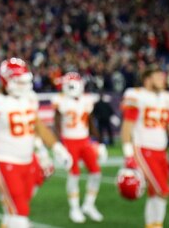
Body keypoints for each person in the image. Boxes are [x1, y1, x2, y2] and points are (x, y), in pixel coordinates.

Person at [0, 58, 73, 228]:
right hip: (4, 160)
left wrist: (57, 148)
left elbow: (38, 126)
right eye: (18, 81)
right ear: (6, 80)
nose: (23, 85)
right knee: (20, 213)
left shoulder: (30, 98)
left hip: (27, 160)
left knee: (15, 212)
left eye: (25, 80)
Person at [120, 65, 169, 228]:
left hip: (161, 151)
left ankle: (154, 225)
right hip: (143, 148)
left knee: (156, 193)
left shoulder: (166, 98)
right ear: (147, 79)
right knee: (162, 190)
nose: (163, 80)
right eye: (158, 77)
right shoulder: (137, 95)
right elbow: (127, 127)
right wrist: (128, 155)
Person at [52, 72, 107, 223]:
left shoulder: (86, 100)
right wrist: (59, 145)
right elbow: (56, 125)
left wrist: (100, 142)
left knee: (96, 172)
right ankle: (74, 208)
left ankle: (89, 205)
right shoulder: (61, 101)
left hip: (84, 141)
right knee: (74, 174)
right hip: (69, 142)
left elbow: (90, 122)